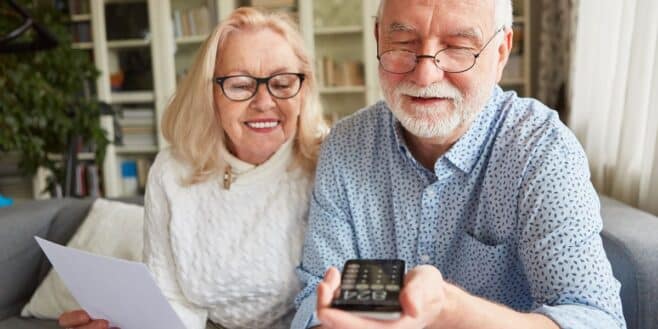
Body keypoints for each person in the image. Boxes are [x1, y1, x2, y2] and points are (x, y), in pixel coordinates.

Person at [291, 1, 626, 329]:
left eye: (458, 48)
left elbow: (594, 317)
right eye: (404, 43)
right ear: (379, 39)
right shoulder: (345, 145)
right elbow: (315, 296)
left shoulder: (540, 150)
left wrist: (452, 311)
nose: (425, 74)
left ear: (500, 53)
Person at [58, 7, 328, 329]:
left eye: (282, 83)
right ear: (210, 92)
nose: (264, 102)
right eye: (240, 85)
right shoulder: (171, 171)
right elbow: (168, 297)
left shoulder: (328, 163)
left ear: (304, 89)